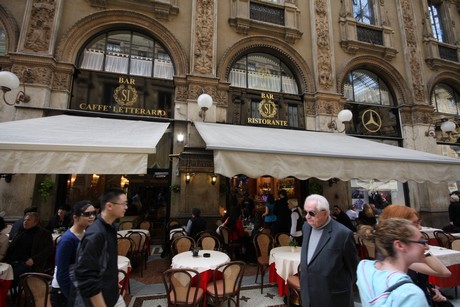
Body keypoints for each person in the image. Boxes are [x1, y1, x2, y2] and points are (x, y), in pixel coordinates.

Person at [377, 204, 451, 305]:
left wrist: (431, 288)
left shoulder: (398, 252)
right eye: (415, 223)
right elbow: (444, 272)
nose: (420, 227)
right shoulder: (398, 256)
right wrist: (423, 247)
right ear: (399, 226)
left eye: (419, 222)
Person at [300, 194, 358, 306]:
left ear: (325, 213)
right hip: (308, 296)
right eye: (305, 212)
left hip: (333, 299)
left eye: (311, 213)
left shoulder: (343, 234)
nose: (307, 216)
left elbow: (353, 269)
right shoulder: (306, 227)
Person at [356, 218, 430, 306]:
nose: (427, 247)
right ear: (400, 245)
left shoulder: (364, 268)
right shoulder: (411, 294)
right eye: (421, 241)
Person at [73, 188, 128, 307]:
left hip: (111, 294)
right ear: (109, 206)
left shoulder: (110, 228)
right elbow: (86, 275)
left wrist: (112, 282)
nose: (126, 207)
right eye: (123, 204)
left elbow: (107, 261)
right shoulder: (96, 234)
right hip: (100, 299)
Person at [50, 200, 96, 307]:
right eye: (87, 214)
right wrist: (72, 297)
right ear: (75, 217)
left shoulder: (85, 234)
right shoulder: (67, 240)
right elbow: (61, 273)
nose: (92, 216)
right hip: (65, 292)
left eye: (93, 213)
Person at [5, 211, 53, 288]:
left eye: (28, 220)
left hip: (27, 264)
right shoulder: (21, 230)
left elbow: (48, 250)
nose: (25, 222)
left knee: (10, 276)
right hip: (11, 261)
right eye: (25, 220)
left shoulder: (43, 234)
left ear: (35, 222)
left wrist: (34, 260)